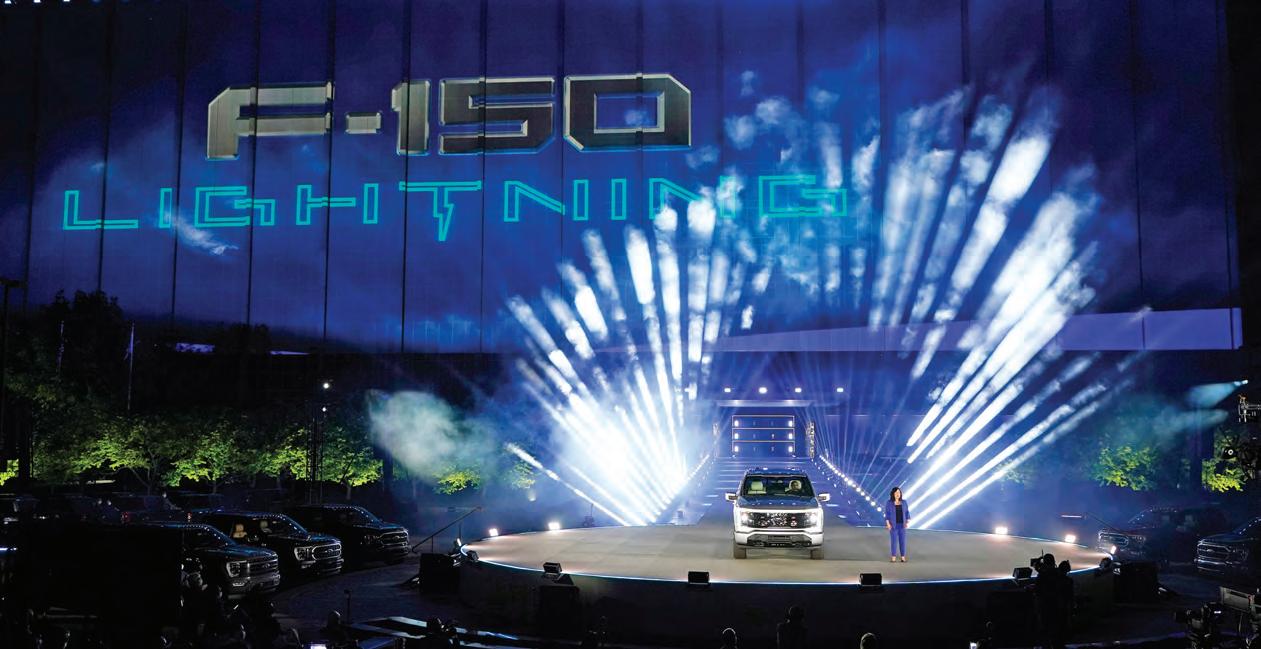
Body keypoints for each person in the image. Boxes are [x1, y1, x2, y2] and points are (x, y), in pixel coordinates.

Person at [883, 487, 909, 562]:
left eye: (899, 492)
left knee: (902, 541)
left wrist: (907, 522)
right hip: (893, 525)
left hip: (902, 525)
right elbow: (887, 514)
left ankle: (903, 557)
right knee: (894, 541)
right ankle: (893, 557)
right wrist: (888, 524)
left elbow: (907, 512)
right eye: (896, 492)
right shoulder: (889, 503)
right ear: (893, 494)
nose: (898, 494)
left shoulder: (904, 502)